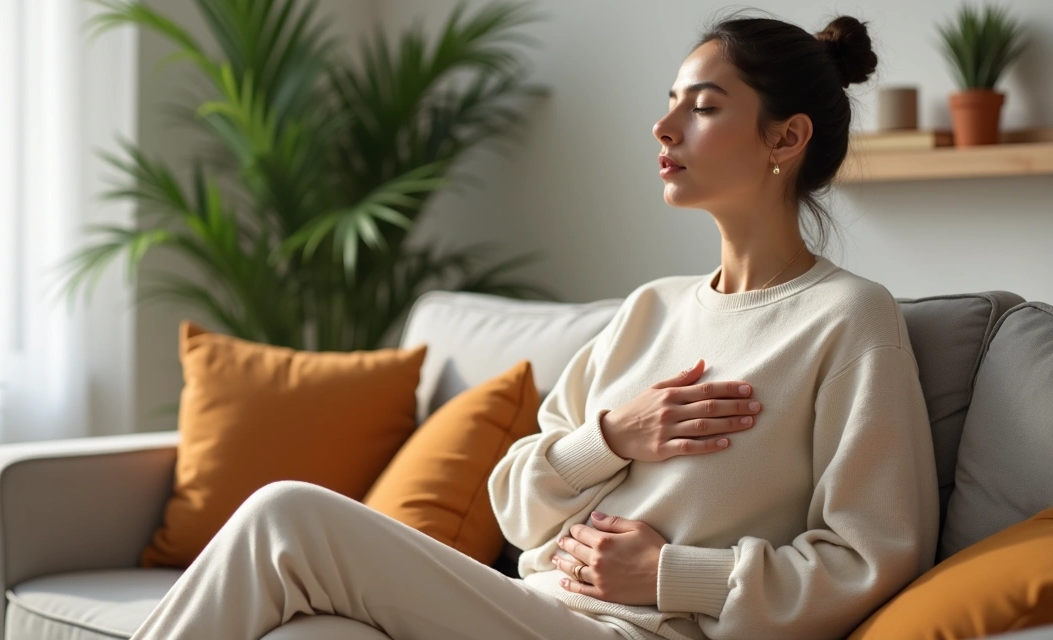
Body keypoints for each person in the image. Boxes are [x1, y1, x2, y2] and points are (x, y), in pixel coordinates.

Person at [129, 12, 940, 640]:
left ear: (787, 138)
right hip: (530, 606)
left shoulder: (847, 319)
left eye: (703, 109)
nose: (665, 130)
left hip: (636, 630)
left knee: (286, 517)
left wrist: (670, 575)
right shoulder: (649, 310)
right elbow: (517, 510)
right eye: (669, 106)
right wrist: (611, 437)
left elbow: (870, 558)